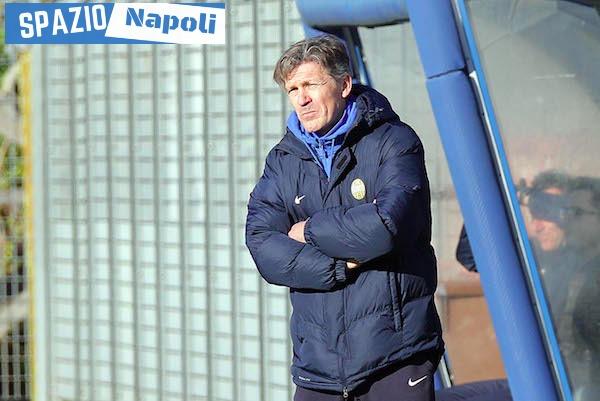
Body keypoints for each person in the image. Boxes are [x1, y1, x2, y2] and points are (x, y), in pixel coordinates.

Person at [245, 35, 443, 401]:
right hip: (317, 367)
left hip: (395, 357)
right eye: (292, 89)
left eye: (311, 84)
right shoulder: (283, 160)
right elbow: (262, 245)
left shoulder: (394, 141)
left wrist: (309, 229)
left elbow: (385, 225)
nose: (301, 99)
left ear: (344, 84)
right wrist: (338, 265)